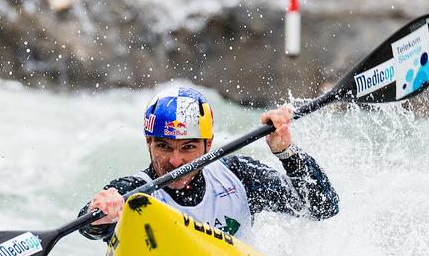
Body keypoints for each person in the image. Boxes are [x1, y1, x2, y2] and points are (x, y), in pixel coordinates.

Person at [78, 86, 339, 242]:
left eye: (188, 147)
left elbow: (324, 207)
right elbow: (88, 226)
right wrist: (100, 214)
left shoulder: (238, 177)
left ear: (208, 144)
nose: (175, 161)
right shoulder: (135, 193)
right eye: (164, 147)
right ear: (149, 143)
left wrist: (286, 152)